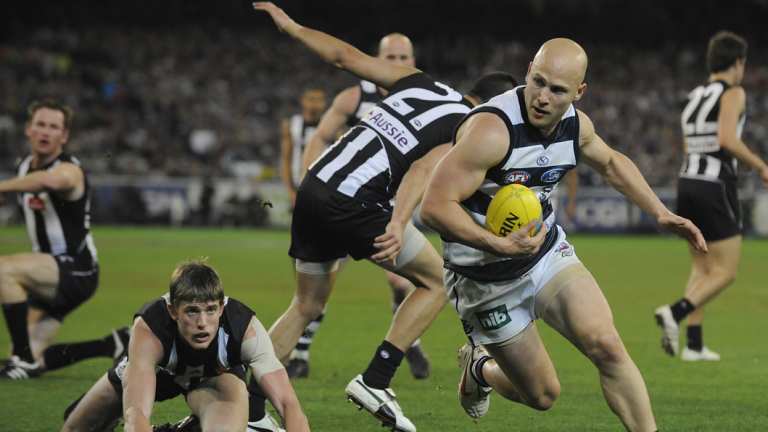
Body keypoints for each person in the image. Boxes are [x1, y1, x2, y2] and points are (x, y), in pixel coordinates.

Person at [420, 38, 707, 432]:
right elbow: (434, 206)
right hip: (483, 278)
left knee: (606, 344)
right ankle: (480, 369)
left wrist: (660, 212)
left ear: (578, 92)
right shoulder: (492, 130)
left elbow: (610, 163)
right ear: (527, 73)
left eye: (557, 90)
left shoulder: (575, 124)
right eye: (538, 82)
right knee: (541, 395)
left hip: (544, 256)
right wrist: (497, 243)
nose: (542, 97)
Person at [254, 3, 516, 431]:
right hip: (354, 201)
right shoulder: (469, 125)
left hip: (315, 187)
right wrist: (397, 223)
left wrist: (294, 27)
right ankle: (376, 379)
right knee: (435, 281)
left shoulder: (419, 83)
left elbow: (345, 57)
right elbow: (422, 168)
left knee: (306, 305)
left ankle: (248, 409)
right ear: (497, 105)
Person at [286, 33, 430, 381]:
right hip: (344, 202)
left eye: (403, 57)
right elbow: (320, 136)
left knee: (403, 281)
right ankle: (300, 354)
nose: (397, 64)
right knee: (320, 286)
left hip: (389, 208)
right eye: (390, 57)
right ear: (376, 59)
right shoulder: (354, 97)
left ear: (413, 61)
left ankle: (407, 343)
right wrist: (312, 177)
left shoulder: (422, 99)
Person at [61, 260, 309, 432]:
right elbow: (136, 413)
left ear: (221, 308)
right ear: (172, 310)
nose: (203, 323)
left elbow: (288, 404)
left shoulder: (244, 328)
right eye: (192, 311)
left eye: (211, 310)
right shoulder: (150, 328)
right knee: (75, 427)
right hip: (159, 374)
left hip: (214, 379)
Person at [655, 31, 768, 361]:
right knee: (726, 271)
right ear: (738, 63)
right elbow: (727, 139)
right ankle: (674, 313)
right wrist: (761, 166)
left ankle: (693, 343)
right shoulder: (733, 92)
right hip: (715, 185)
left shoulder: (695, 95)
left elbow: (690, 145)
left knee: (702, 267)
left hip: (687, 181)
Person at [0, 100, 129, 379]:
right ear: (28, 130)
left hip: (77, 269)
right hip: (47, 274)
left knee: (2, 269)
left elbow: (50, 181)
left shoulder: (69, 169)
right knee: (28, 355)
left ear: (64, 136)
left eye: (54, 127)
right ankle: (111, 343)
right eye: (41, 125)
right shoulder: (24, 167)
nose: (46, 132)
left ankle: (23, 360)